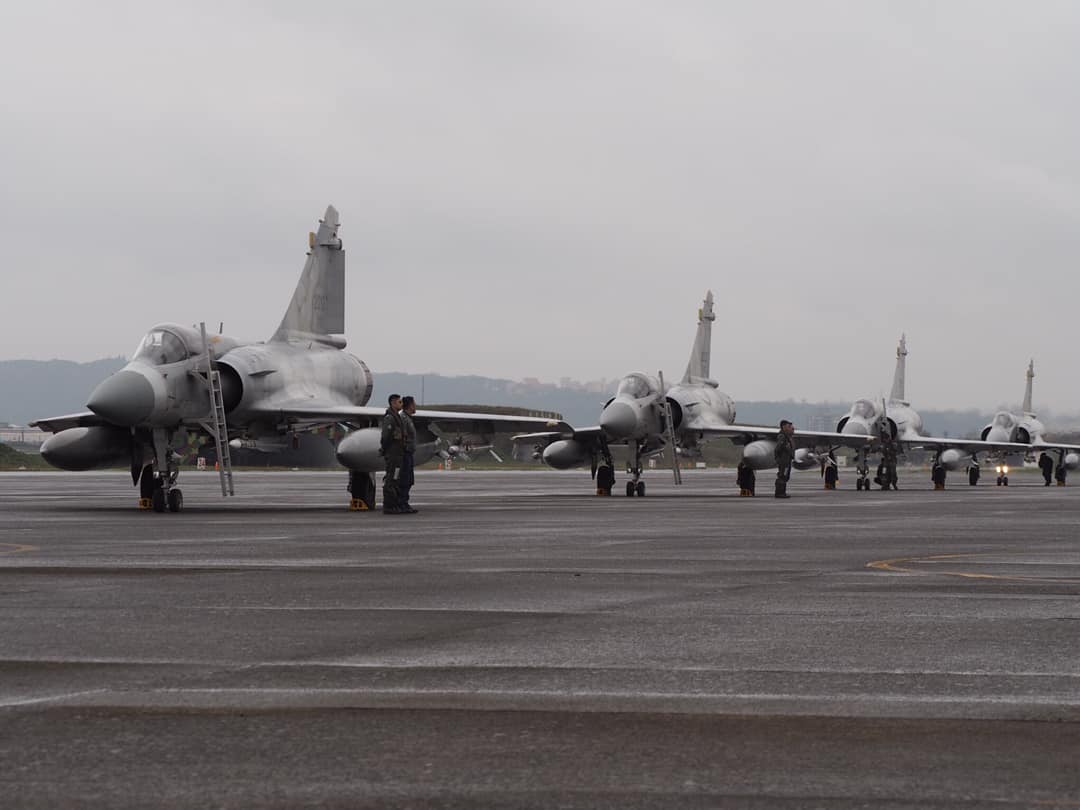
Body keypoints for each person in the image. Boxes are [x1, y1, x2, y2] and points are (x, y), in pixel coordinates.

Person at [380, 394, 406, 513]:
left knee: (395, 479)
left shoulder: (397, 417)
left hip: (397, 454)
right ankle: (389, 506)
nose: (402, 404)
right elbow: (386, 437)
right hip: (393, 454)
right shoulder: (390, 418)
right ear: (393, 403)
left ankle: (394, 504)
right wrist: (385, 450)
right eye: (399, 402)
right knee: (391, 479)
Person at [398, 396, 419, 513]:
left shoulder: (407, 418)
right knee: (404, 479)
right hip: (404, 453)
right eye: (414, 404)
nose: (415, 406)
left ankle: (404, 503)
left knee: (409, 479)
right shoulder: (403, 419)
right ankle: (402, 503)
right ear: (410, 405)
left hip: (408, 453)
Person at [774, 420, 794, 498]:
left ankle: (782, 492)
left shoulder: (787, 436)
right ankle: (780, 493)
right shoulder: (782, 436)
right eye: (789, 426)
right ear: (784, 427)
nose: (791, 428)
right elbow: (778, 449)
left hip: (786, 460)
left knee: (785, 476)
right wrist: (779, 459)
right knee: (782, 476)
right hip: (784, 460)